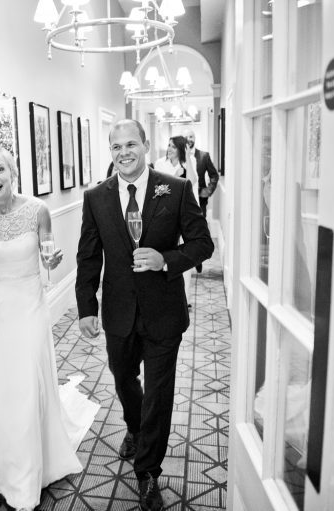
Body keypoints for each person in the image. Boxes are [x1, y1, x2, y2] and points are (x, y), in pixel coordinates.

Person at [75, 120, 214, 511]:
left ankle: (148, 469)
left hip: (163, 311)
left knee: (159, 392)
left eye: (130, 144)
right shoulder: (96, 198)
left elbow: (203, 244)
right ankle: (135, 428)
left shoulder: (177, 188)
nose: (123, 153)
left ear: (146, 145)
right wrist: (87, 306)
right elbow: (88, 256)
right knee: (123, 378)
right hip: (118, 311)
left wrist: (165, 260)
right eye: (115, 146)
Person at [0, 146, 99, 511]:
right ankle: (0, 457)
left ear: (13, 172)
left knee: (24, 383)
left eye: (0, 169)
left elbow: (48, 254)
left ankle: (25, 475)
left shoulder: (37, 210)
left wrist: (50, 259)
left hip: (29, 305)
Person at [155, 135, 200, 308]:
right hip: (163, 214)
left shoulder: (190, 162)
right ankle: (164, 292)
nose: (169, 149)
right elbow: (157, 188)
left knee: (185, 254)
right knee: (166, 252)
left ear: (180, 149)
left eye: (173, 146)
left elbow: (192, 180)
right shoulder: (160, 164)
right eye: (168, 145)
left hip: (184, 214)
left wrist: (187, 158)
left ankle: (185, 297)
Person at [184, 128, 219, 273]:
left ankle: (198, 260)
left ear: (195, 138)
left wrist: (207, 191)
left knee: (199, 229)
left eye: (191, 136)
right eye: (187, 137)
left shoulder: (204, 156)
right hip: (183, 199)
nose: (189, 139)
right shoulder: (180, 158)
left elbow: (214, 175)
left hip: (200, 199)